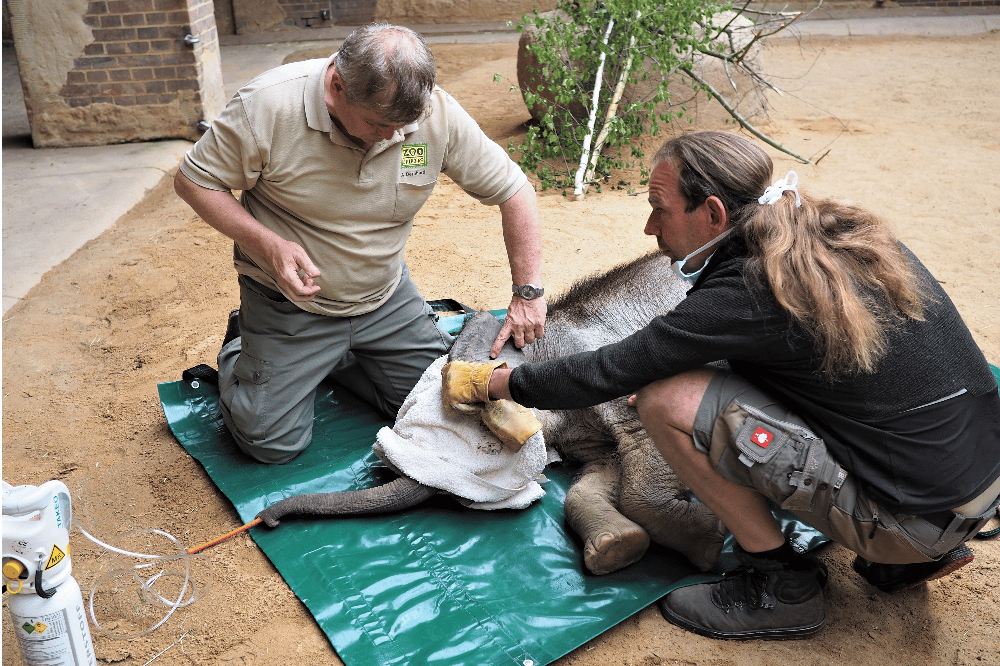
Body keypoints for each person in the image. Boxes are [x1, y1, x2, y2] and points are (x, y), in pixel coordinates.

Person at [442, 130, 1000, 640]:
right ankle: (907, 555)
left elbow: (607, 370)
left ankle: (782, 584)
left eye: (659, 210)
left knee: (666, 400)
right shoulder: (836, 235)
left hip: (912, 519)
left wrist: (499, 382)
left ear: (712, 212)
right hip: (973, 486)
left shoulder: (750, 289)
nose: (648, 228)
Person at [175, 23, 546, 464]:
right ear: (336, 87)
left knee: (438, 411)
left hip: (385, 299)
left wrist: (528, 292)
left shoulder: (431, 116)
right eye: (379, 123)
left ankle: (343, 357)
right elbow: (195, 181)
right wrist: (270, 245)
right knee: (271, 446)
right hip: (290, 305)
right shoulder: (268, 106)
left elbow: (514, 191)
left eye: (403, 124)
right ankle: (243, 347)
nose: (394, 136)